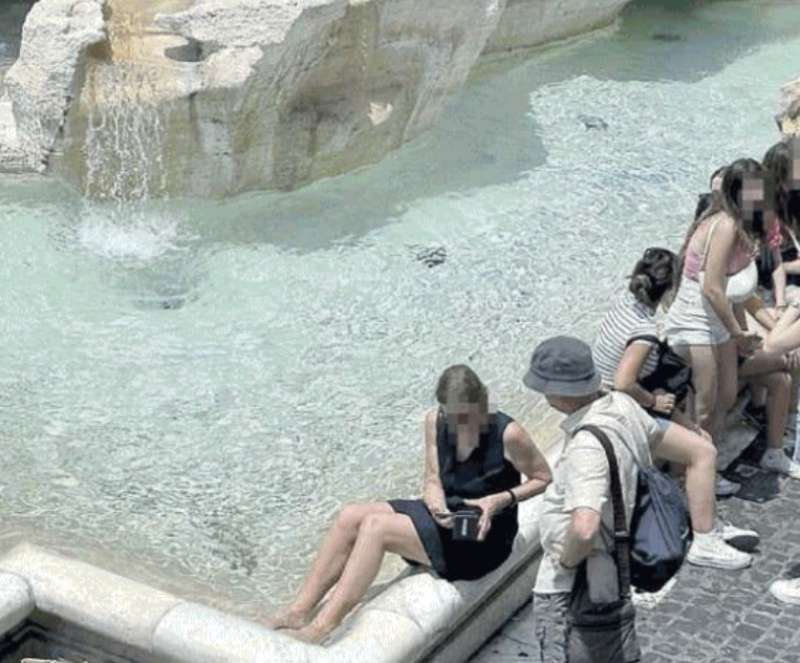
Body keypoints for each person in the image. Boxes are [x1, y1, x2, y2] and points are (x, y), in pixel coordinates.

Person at [265, 364, 552, 643]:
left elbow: (543, 477)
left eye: (464, 417)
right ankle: (299, 610)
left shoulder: (508, 433)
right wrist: (435, 501)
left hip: (483, 534)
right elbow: (431, 478)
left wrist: (499, 500)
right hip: (449, 514)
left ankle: (322, 626)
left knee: (376, 528)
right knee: (350, 516)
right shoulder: (435, 421)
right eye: (451, 417)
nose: (457, 425)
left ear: (482, 402)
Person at [524, 337, 752, 663]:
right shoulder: (623, 405)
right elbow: (684, 447)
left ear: (557, 393)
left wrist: (565, 560)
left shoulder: (587, 446)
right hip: (617, 567)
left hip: (575, 583)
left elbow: (585, 528)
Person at [666, 159, 774, 495]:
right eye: (752, 189)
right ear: (737, 191)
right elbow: (711, 286)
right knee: (705, 403)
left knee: (726, 394)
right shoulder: (725, 225)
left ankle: (701, 464)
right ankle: (687, 477)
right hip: (696, 318)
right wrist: (739, 333)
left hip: (718, 320)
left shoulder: (744, 224)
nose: (759, 196)